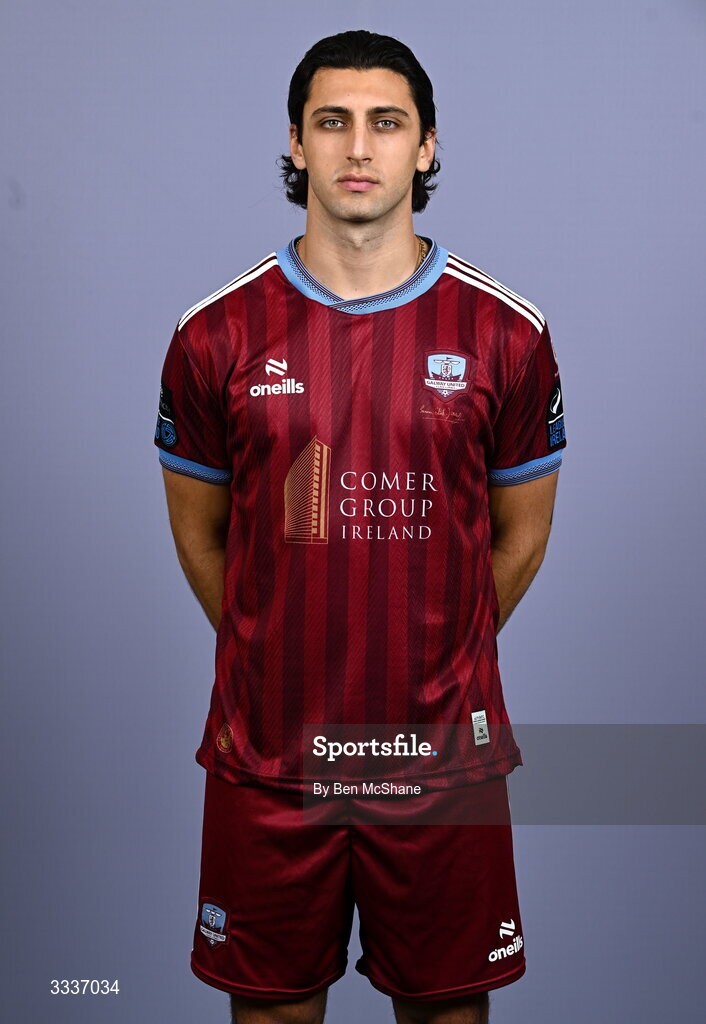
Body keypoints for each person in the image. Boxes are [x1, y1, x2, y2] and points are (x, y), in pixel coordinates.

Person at [154, 28, 566, 1024]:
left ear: (426, 147)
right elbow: (205, 540)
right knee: (271, 1010)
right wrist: (274, 648)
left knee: (447, 1012)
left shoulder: (506, 333)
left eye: (387, 123)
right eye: (331, 122)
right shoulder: (214, 334)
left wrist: (437, 656)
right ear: (295, 144)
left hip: (441, 762)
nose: (358, 146)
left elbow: (518, 536)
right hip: (269, 757)